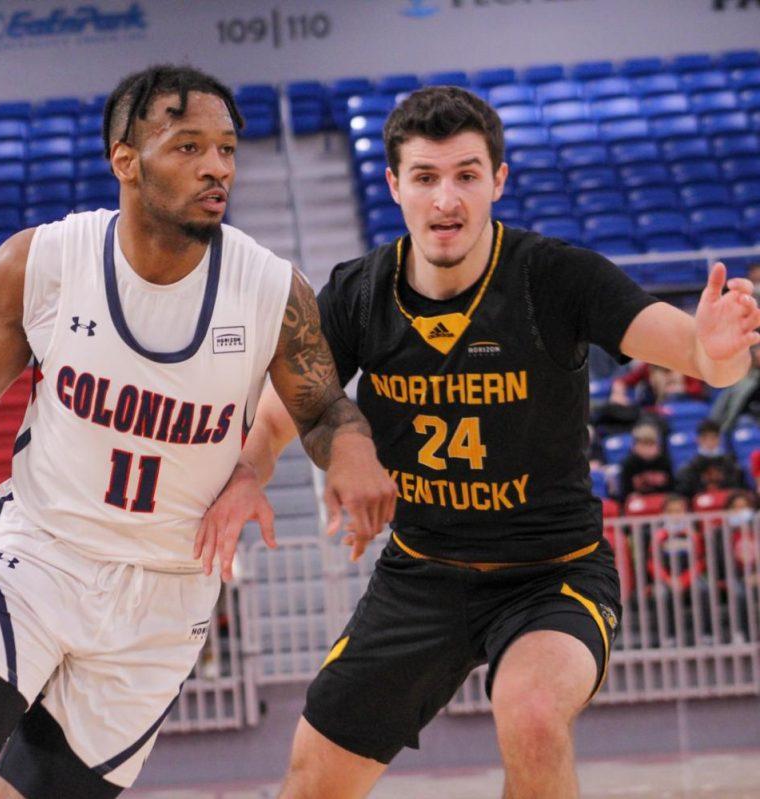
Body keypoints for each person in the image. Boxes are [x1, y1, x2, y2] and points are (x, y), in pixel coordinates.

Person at [0, 64, 391, 799]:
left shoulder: (272, 289)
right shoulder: (41, 263)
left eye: (228, 149)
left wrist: (354, 453)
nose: (216, 166)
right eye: (188, 146)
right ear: (126, 160)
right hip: (36, 557)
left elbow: (325, 408)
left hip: (165, 597)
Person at [204, 85, 760, 798]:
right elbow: (284, 413)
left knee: (529, 714)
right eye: (427, 177)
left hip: (552, 573)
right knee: (313, 777)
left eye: (467, 174)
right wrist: (248, 470)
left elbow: (693, 349)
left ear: (498, 180)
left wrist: (719, 353)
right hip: (422, 572)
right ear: (394, 185)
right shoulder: (359, 293)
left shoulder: (553, 277)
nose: (446, 201)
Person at [675, 419, 746, 498]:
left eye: (713, 438)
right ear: (698, 440)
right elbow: (685, 492)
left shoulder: (731, 464)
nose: (709, 442)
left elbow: (737, 488)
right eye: (705, 438)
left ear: (719, 439)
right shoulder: (690, 467)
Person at [617, 421, 675, 501]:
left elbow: (672, 489)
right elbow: (624, 493)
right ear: (634, 447)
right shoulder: (628, 464)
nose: (647, 449)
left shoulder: (665, 461)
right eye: (644, 444)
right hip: (638, 504)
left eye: (651, 444)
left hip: (662, 503)